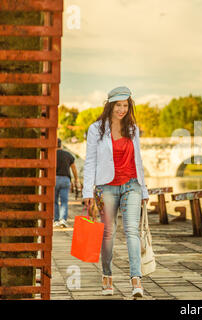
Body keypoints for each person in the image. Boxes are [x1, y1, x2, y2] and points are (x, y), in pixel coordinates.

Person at [82, 86, 149, 298]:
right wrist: (87, 192)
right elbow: (90, 161)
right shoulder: (96, 129)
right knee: (108, 233)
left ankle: (136, 279)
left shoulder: (133, 129)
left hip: (131, 184)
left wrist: (144, 189)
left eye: (125, 105)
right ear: (110, 105)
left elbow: (138, 159)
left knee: (132, 231)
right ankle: (107, 276)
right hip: (106, 186)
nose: (122, 110)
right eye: (118, 105)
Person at [55, 138, 79, 228]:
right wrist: (76, 179)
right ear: (61, 145)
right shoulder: (67, 155)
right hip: (65, 179)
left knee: (55, 201)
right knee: (64, 201)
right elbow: (73, 168)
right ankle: (63, 220)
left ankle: (56, 220)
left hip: (54, 179)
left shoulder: (52, 155)